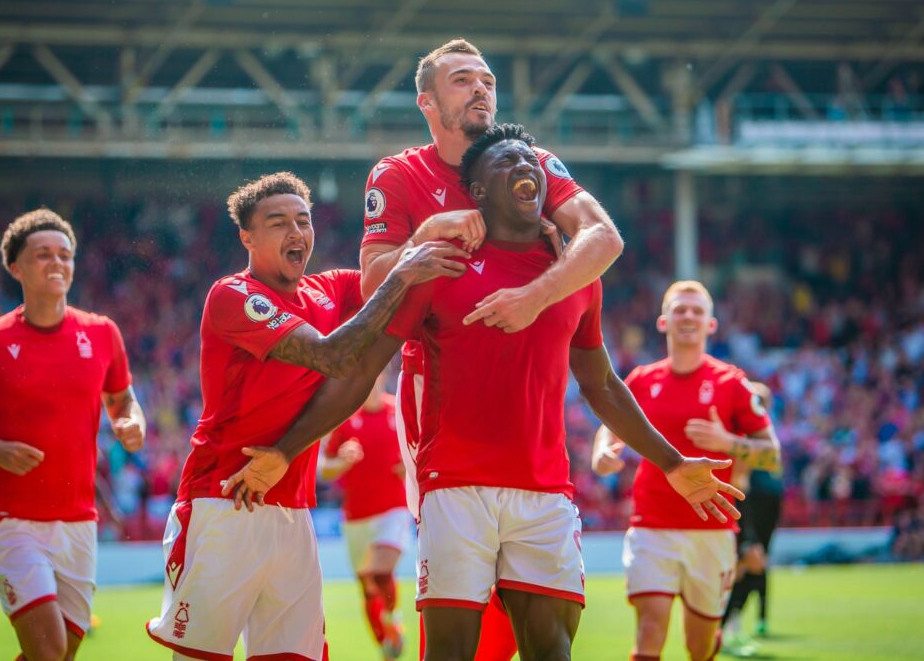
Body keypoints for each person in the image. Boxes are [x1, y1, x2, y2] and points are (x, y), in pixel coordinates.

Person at [223, 125, 744, 661]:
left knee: (552, 651)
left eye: (530, 159)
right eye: (507, 162)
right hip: (455, 489)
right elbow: (359, 374)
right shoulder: (437, 267)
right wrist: (288, 451)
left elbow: (603, 385)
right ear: (475, 192)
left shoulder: (576, 276)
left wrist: (674, 463)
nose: (526, 166)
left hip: (546, 493)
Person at [359, 37, 624, 659]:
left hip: (528, 401)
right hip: (440, 404)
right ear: (427, 101)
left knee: (530, 626)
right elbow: (372, 287)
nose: (481, 88)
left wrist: (538, 293)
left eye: (487, 80)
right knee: (458, 620)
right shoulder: (399, 175)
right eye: (461, 80)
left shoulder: (530, 159)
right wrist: (427, 233)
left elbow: (603, 238)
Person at [145, 172, 467, 660]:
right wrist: (405, 271)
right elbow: (334, 354)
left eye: (304, 220)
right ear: (246, 237)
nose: (296, 232)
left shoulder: (331, 289)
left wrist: (443, 230)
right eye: (278, 223)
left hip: (293, 511)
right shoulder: (234, 296)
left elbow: (398, 281)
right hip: (224, 502)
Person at [0, 207, 147, 661]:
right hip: (14, 523)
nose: (57, 263)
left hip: (79, 525)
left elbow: (124, 400)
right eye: (42, 255)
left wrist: (132, 423)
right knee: (51, 651)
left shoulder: (102, 333)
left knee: (57, 655)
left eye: (65, 254)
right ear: (15, 267)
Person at [592, 281, 781, 661]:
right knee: (649, 633)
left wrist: (727, 441)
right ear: (664, 321)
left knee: (699, 646)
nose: (688, 316)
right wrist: (602, 451)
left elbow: (772, 456)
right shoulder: (643, 379)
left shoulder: (733, 384)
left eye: (697, 310)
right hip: (651, 525)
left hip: (711, 530)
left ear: (711, 325)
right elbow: (608, 423)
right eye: (680, 309)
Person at [320, 372, 412, 659]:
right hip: (357, 517)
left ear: (383, 376)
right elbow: (323, 469)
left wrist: (411, 465)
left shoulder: (399, 411)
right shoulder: (346, 419)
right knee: (367, 588)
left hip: (394, 510)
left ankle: (392, 619)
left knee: (382, 571)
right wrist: (341, 462)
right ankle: (385, 642)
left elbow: (425, 448)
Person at [720, 382, 783, 655]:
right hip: (742, 505)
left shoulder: (755, 434)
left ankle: (728, 629)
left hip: (750, 506)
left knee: (748, 566)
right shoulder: (743, 433)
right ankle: (722, 630)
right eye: (759, 399)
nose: (762, 404)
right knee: (744, 566)